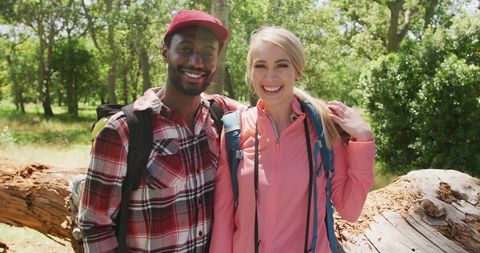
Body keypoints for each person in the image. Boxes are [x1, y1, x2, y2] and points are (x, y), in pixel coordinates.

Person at [77, 10, 241, 253]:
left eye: (208, 53)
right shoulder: (123, 131)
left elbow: (271, 108)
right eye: (186, 49)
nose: (197, 61)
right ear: (165, 52)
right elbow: (94, 224)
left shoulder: (221, 116)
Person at [210, 26, 375, 253]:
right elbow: (223, 216)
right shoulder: (234, 129)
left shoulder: (323, 129)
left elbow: (351, 209)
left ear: (297, 71)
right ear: (250, 71)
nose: (270, 77)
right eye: (260, 66)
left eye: (282, 65)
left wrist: (364, 139)